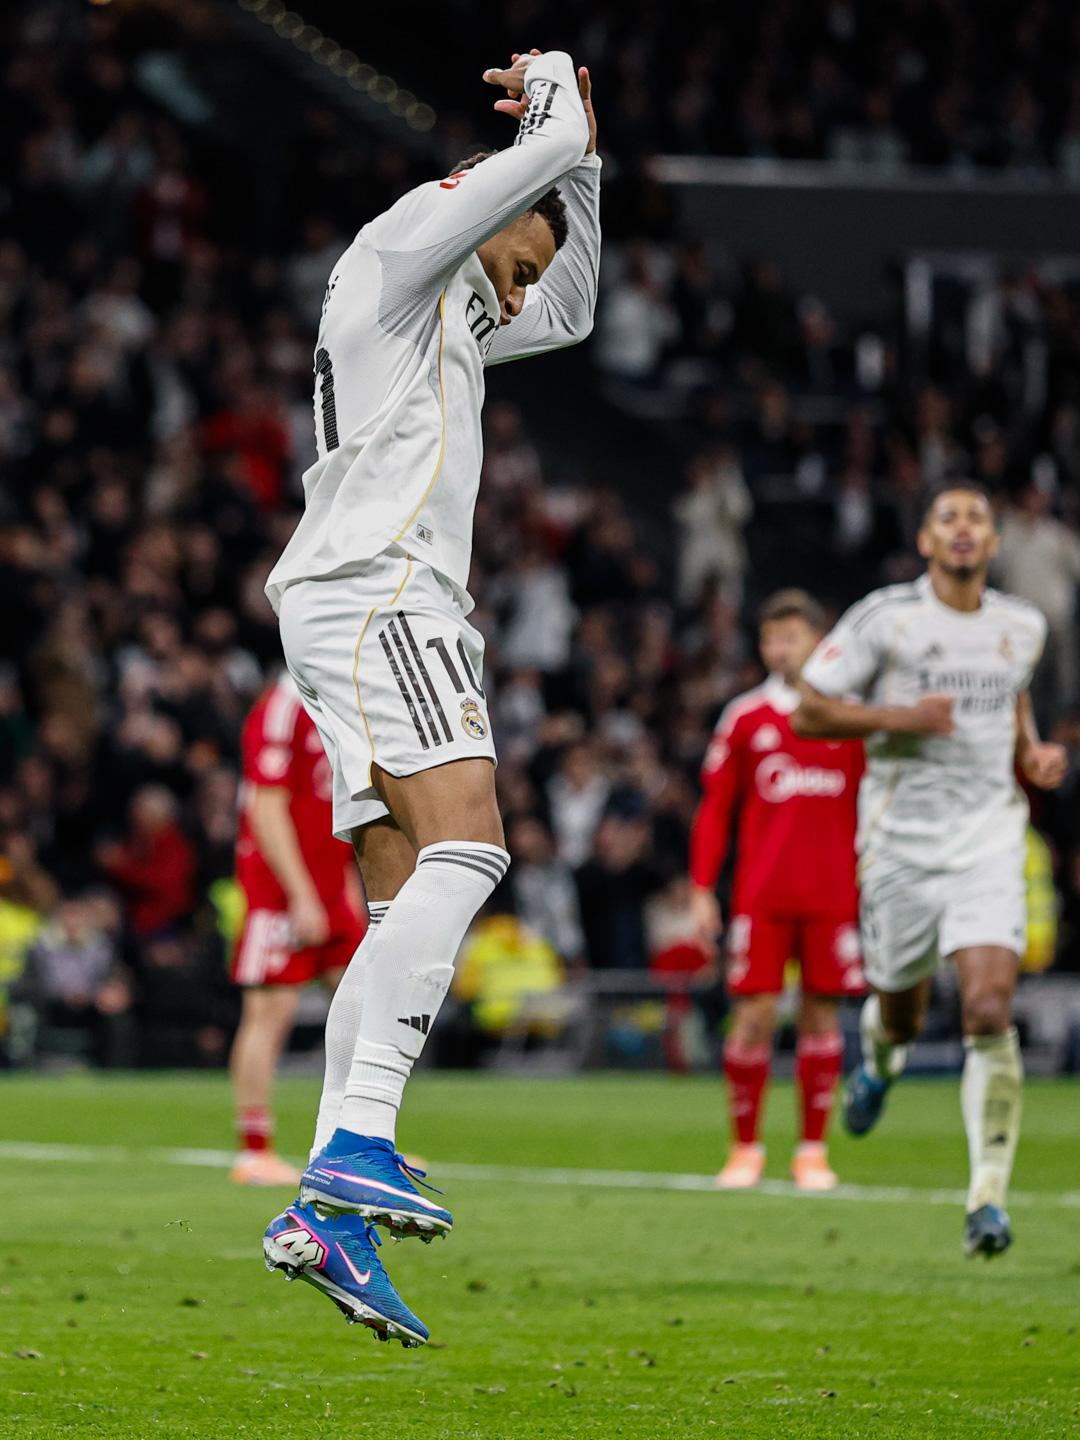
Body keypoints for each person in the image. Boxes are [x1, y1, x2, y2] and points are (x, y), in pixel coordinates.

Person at [259, 49, 600, 1347]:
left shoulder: (449, 300)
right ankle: (356, 1141)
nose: (525, 281)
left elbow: (572, 309)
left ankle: (326, 1215)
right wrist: (559, 91)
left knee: (402, 900)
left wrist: (586, 173)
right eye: (523, 250)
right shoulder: (407, 244)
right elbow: (537, 161)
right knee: (473, 844)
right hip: (385, 592)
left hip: (352, 600)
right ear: (481, 201)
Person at [793, 485, 1067, 1258]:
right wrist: (901, 719)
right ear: (925, 541)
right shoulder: (887, 619)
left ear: (993, 541)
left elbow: (1011, 699)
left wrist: (1030, 752)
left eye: (977, 518)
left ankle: (987, 1199)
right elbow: (808, 710)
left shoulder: (1022, 626)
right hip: (901, 846)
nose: (963, 529)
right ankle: (881, 1065)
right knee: (902, 1015)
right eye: (948, 518)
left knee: (988, 1007)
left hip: (988, 839)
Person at [689, 591, 864, 1194]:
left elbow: (878, 804)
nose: (779, 649)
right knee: (754, 1016)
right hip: (761, 897)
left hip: (833, 896)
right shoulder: (745, 716)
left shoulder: (849, 716)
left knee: (822, 1017)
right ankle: (746, 1148)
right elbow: (716, 808)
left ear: (819, 641)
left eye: (791, 637)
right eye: (771, 639)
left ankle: (812, 1151)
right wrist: (701, 888)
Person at [229, 672, 366, 1186]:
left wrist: (346, 885)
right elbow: (265, 807)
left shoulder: (339, 699)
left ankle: (363, 1142)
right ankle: (254, 1151)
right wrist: (301, 894)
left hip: (331, 887)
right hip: (280, 892)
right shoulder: (283, 705)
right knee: (270, 1013)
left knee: (364, 1010)